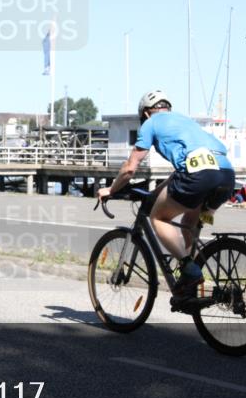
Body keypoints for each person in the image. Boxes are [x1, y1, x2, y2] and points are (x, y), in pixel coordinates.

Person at [97, 90, 236, 302]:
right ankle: (189, 281)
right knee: (191, 219)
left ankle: (189, 270)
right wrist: (156, 192)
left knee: (158, 217)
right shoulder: (183, 121)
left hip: (198, 176)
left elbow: (129, 168)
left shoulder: (150, 123)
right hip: (226, 176)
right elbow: (186, 166)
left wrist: (111, 189)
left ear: (145, 113)